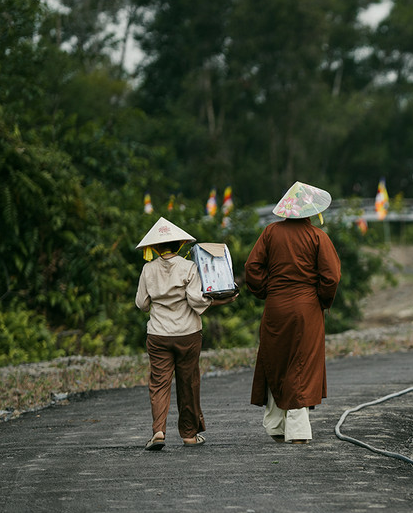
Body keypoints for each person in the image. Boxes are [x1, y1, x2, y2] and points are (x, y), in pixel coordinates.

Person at [244, 181, 342, 444]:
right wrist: (321, 300)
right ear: (310, 210)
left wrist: (266, 290)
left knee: (276, 360)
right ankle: (297, 431)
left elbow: (252, 268)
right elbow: (331, 277)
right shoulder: (318, 237)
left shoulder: (270, 232)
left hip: (276, 305)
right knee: (302, 363)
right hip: (306, 308)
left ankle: (276, 425)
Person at [135, 217, 235, 450]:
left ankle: (158, 431)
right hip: (188, 333)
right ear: (180, 244)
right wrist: (223, 300)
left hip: (158, 335)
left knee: (159, 383)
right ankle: (189, 435)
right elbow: (197, 301)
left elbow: (142, 304)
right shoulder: (188, 267)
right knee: (188, 382)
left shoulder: (148, 269)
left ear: (155, 247)